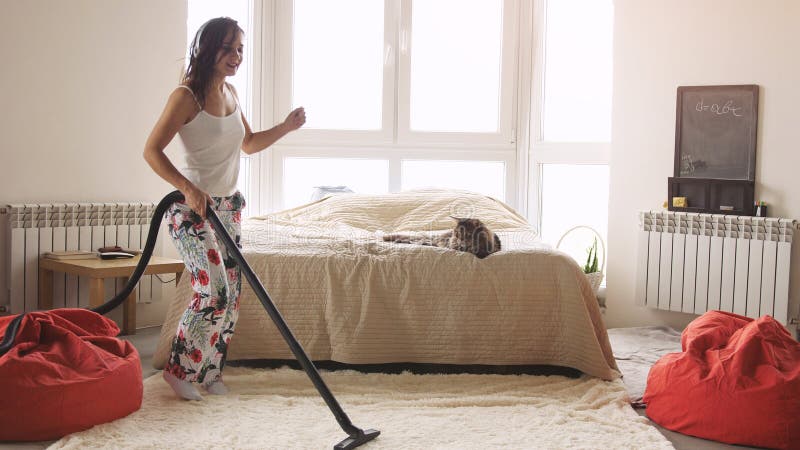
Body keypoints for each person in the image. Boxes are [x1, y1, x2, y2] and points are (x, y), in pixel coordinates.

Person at [143, 17, 305, 400]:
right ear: (209, 48)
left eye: (241, 50)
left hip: (228, 207)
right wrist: (186, 186)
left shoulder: (230, 92)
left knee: (232, 293)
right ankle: (179, 370)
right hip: (191, 209)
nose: (237, 56)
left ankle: (210, 372)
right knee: (212, 288)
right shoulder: (186, 97)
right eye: (229, 48)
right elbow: (151, 150)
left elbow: (247, 143)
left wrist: (284, 127)